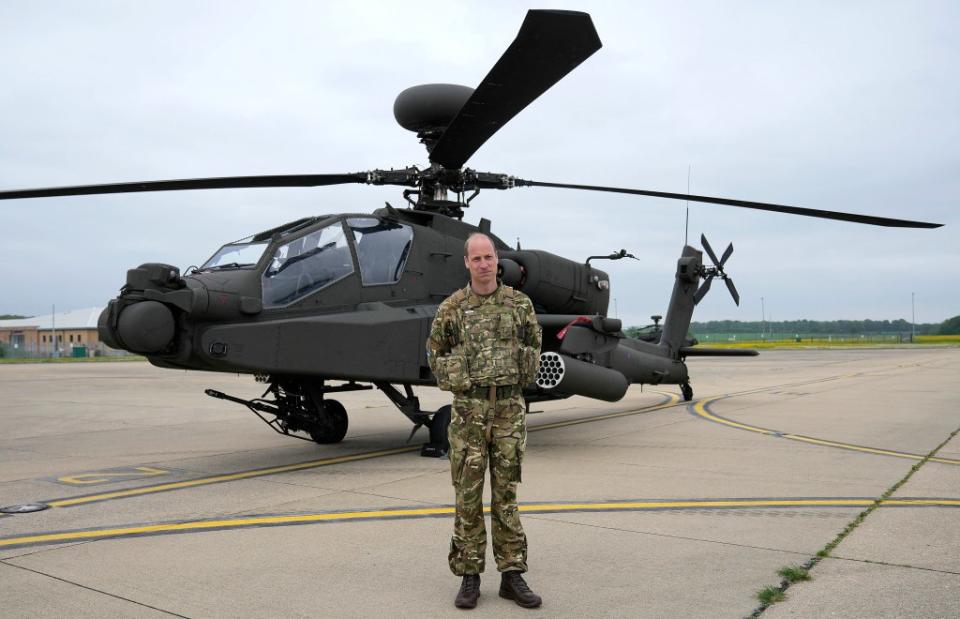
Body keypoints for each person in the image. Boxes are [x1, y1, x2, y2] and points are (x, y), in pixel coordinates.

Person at [427, 232, 543, 609]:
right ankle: (469, 576)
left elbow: (534, 344)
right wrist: (459, 375)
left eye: (488, 257)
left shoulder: (519, 304)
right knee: (468, 497)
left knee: (507, 495)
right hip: (468, 413)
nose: (483, 264)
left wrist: (519, 368)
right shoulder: (452, 308)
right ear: (466, 263)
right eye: (475, 258)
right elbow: (435, 354)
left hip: (509, 409)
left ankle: (512, 575)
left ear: (497, 260)